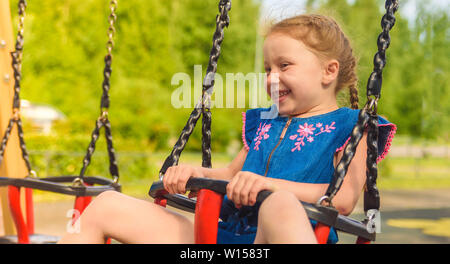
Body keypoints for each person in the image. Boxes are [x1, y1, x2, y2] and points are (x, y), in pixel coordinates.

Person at [58, 14, 396, 244]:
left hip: (281, 233)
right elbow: (230, 174)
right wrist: (192, 173)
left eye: (284, 66)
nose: (271, 78)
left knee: (279, 204)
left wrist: (269, 186)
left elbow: (342, 200)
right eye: (267, 69)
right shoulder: (266, 121)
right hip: (225, 236)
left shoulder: (355, 127)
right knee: (105, 204)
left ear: (329, 71)